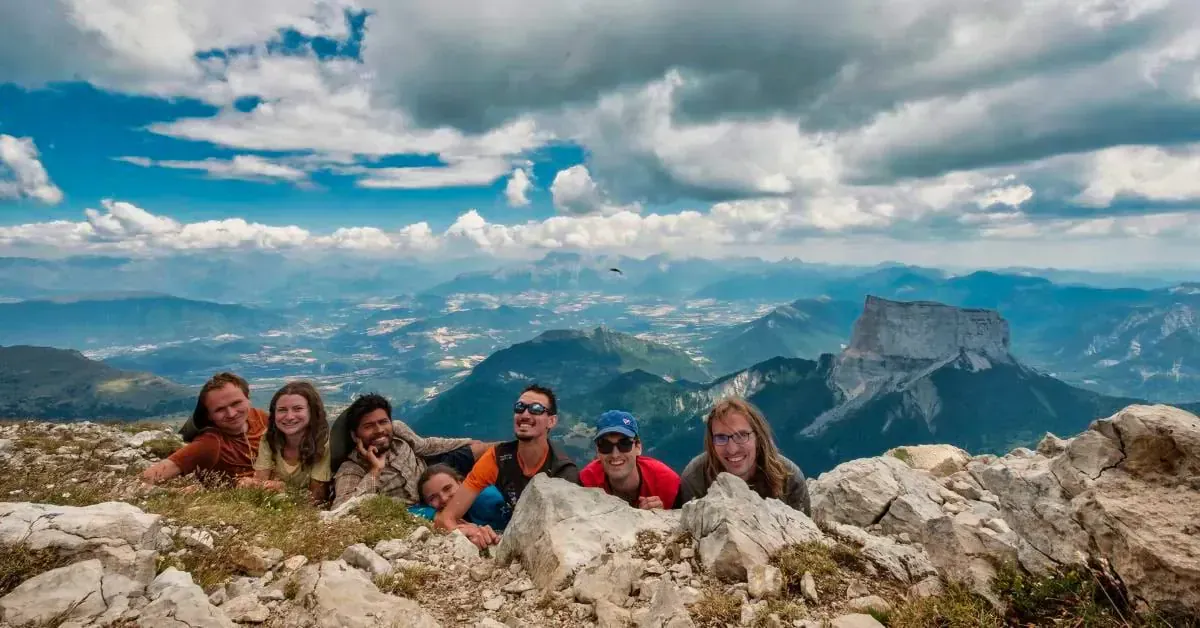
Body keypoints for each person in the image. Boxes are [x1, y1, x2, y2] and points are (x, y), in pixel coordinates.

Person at [435, 384, 580, 548]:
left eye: (536, 409)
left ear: (551, 421)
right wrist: (467, 532)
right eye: (520, 407)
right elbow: (445, 519)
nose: (525, 414)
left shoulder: (564, 473)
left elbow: (567, 536)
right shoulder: (497, 458)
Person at [330, 393, 491, 508]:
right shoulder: (352, 469)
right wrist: (375, 470)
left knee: (482, 450)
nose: (379, 430)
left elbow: (426, 446)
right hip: (414, 510)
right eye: (368, 426)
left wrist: (466, 441)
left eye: (383, 422)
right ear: (355, 435)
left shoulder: (398, 430)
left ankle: (508, 447)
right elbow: (340, 509)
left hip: (430, 477)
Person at [677, 397, 811, 514]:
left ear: (758, 437)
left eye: (741, 435)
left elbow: (804, 533)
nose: (732, 449)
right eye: (721, 438)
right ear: (711, 443)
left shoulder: (789, 478)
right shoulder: (696, 478)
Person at [142, 372, 267, 485]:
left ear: (248, 399)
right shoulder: (211, 443)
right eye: (220, 409)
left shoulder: (261, 418)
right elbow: (147, 477)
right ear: (209, 416)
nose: (231, 414)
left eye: (236, 403)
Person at [237, 381, 332, 504]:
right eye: (282, 410)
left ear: (312, 412)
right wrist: (251, 484)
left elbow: (317, 498)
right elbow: (260, 482)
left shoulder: (323, 444)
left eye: (298, 409)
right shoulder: (269, 438)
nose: (289, 416)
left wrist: (285, 490)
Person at [579, 410, 679, 510]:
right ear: (598, 451)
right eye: (605, 446)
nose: (615, 454)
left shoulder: (666, 483)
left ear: (638, 447)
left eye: (624, 444)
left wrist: (662, 513)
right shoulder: (587, 482)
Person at [411, 464, 510, 532]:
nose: (444, 498)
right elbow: (409, 511)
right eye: (433, 498)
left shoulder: (485, 499)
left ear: (460, 483)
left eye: (447, 488)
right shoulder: (434, 510)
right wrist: (436, 516)